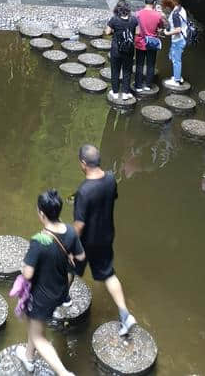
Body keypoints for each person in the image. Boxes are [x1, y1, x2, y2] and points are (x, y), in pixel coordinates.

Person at [14, 189, 84, 375]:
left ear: (42, 214)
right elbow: (81, 256)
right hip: (60, 291)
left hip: (41, 297)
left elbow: (28, 274)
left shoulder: (39, 240)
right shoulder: (70, 231)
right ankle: (28, 358)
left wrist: (23, 266)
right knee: (35, 325)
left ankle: (63, 373)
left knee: (38, 336)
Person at [74, 144, 137, 337]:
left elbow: (79, 224)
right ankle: (125, 314)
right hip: (106, 236)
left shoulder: (84, 191)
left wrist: (69, 243)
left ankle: (62, 299)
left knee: (69, 267)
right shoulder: (110, 179)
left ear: (83, 164)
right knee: (109, 274)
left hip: (86, 241)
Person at [105, 0, 138, 102]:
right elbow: (138, 32)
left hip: (116, 50)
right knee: (127, 71)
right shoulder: (133, 20)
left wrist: (115, 32)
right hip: (129, 49)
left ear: (117, 9)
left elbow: (107, 32)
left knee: (115, 71)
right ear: (128, 9)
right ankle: (125, 93)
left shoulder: (114, 20)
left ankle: (115, 92)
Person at [134, 0, 165, 92]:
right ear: (154, 2)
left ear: (145, 1)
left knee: (139, 64)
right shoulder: (158, 15)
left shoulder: (138, 13)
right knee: (151, 65)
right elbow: (162, 26)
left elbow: (135, 26)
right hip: (152, 43)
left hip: (140, 42)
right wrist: (161, 13)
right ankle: (148, 85)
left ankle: (138, 86)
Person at [162, 0, 188, 87]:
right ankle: (178, 76)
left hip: (178, 40)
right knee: (175, 58)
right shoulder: (181, 9)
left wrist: (167, 33)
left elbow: (178, 29)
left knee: (176, 60)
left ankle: (176, 80)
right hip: (183, 38)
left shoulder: (175, 14)